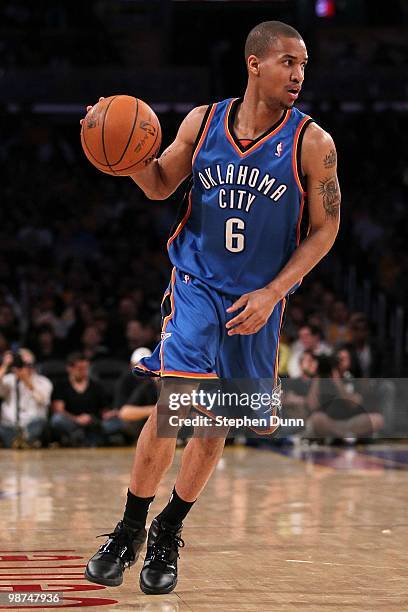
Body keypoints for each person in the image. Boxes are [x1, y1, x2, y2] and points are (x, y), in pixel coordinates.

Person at [82, 21, 340, 595]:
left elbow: (327, 229)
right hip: (198, 282)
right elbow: (156, 184)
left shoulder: (313, 144)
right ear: (255, 64)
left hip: (258, 300)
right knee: (176, 403)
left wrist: (275, 292)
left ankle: (168, 529)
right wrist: (118, 149)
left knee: (216, 422)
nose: (299, 74)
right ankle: (128, 529)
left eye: (304, 65)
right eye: (288, 63)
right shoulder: (202, 123)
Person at [307, 349, 384, 441]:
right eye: (338, 359)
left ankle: (337, 435)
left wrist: (337, 380)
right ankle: (344, 435)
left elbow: (353, 403)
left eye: (343, 359)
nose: (339, 363)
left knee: (377, 419)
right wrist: (318, 375)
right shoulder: (321, 380)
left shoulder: (354, 378)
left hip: (351, 421)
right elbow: (312, 405)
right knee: (316, 419)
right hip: (330, 421)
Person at [50, 352, 108, 446]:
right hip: (71, 422)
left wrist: (107, 415)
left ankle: (84, 437)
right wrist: (76, 419)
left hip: (92, 422)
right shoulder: (61, 386)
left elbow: (104, 409)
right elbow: (58, 410)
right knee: (57, 420)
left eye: (86, 368)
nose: (84, 372)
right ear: (70, 368)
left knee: (113, 423)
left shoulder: (96, 386)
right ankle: (80, 436)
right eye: (80, 369)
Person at [0, 349, 52, 448]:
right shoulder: (9, 380)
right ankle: (19, 442)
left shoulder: (43, 381)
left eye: (27, 364)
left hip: (32, 424)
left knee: (40, 424)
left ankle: (25, 440)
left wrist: (27, 382)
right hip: (10, 425)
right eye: (21, 364)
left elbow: (43, 400)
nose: (24, 367)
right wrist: (5, 365)